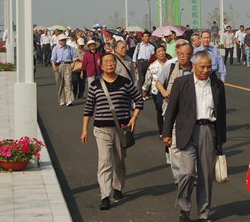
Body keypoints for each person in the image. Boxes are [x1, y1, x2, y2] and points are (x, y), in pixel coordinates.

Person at [162, 51, 227, 222]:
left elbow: (221, 113)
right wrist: (166, 133)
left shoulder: (217, 84)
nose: (206, 70)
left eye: (209, 67)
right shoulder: (182, 83)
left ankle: (203, 213)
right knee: (187, 173)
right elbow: (171, 110)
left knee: (206, 176)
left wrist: (221, 137)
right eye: (202, 67)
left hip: (209, 131)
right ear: (194, 66)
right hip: (188, 132)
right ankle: (184, 207)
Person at [81, 52, 143, 211]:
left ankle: (118, 187)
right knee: (105, 161)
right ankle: (105, 195)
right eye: (106, 62)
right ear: (101, 65)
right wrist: (84, 130)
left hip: (121, 129)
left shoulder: (125, 82)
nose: (110, 64)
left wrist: (134, 118)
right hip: (101, 129)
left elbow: (139, 100)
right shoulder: (95, 84)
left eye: (112, 61)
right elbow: (88, 109)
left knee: (120, 159)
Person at [155, 41, 194, 181]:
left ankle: (190, 173)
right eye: (180, 54)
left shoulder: (196, 70)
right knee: (174, 145)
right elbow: (158, 82)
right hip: (172, 111)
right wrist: (164, 91)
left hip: (191, 113)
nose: (182, 57)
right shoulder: (171, 67)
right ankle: (179, 176)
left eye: (185, 54)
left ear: (191, 55)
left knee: (191, 144)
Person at [142, 45, 169, 137]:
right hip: (156, 92)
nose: (161, 53)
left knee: (170, 110)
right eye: (159, 52)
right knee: (160, 110)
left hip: (168, 90)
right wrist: (144, 89)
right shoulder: (152, 66)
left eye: (162, 51)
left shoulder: (170, 63)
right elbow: (148, 78)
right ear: (156, 55)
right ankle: (162, 131)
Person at [51, 36, 75, 106]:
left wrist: (72, 65)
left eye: (64, 40)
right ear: (59, 41)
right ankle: (62, 99)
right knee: (60, 83)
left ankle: (69, 99)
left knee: (68, 82)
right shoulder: (56, 48)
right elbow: (52, 58)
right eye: (62, 40)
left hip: (67, 65)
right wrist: (54, 66)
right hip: (59, 66)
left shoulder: (69, 48)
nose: (63, 41)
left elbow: (73, 57)